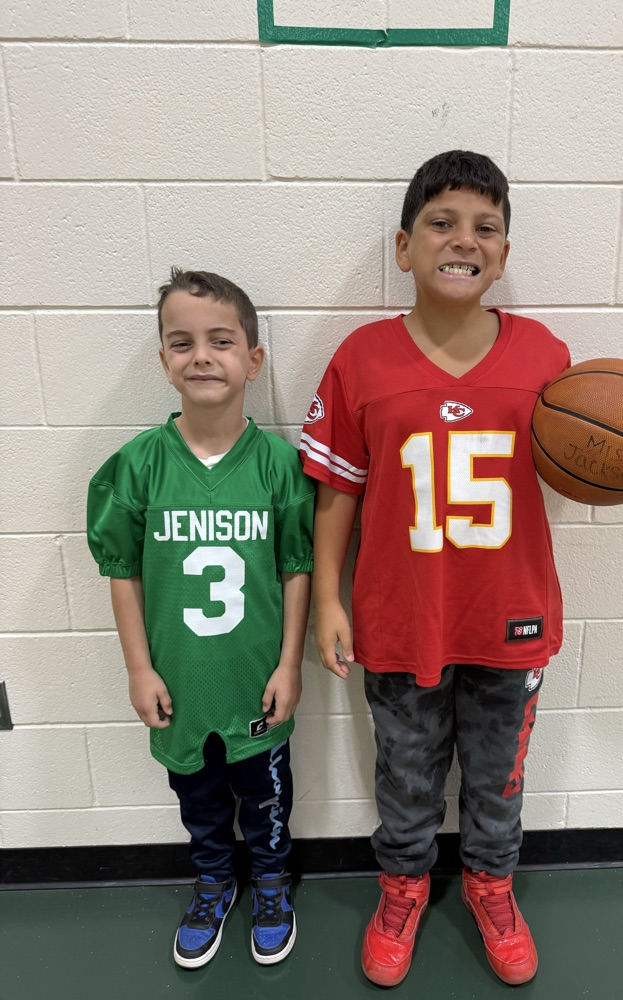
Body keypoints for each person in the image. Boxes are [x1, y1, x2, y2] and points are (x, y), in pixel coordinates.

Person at [300, 150, 623, 987]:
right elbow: (336, 493)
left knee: (497, 777)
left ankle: (491, 885)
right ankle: (403, 888)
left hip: (509, 615)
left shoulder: (546, 359)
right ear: (404, 247)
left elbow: (600, 449)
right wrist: (326, 605)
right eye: (441, 222)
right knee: (405, 774)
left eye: (485, 226)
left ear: (505, 253)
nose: (464, 239)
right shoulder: (361, 358)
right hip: (398, 613)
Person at [87, 269, 314, 970]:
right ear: (163, 361)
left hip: (255, 682)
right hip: (179, 685)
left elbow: (296, 567)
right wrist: (138, 668)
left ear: (254, 359)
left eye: (222, 340)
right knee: (199, 800)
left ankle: (271, 881)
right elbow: (121, 572)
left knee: (267, 795)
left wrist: (287, 664)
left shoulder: (279, 464)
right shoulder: (137, 467)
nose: (202, 356)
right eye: (181, 343)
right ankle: (214, 879)